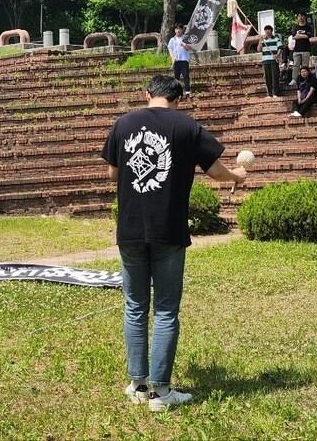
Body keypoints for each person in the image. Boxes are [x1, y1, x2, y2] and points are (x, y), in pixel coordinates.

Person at [103, 75, 248, 411]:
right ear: (178, 99)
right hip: (168, 228)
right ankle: (161, 393)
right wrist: (237, 177)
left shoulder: (123, 123)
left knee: (135, 307)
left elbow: (112, 175)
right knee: (165, 309)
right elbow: (215, 171)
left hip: (130, 229)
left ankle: (138, 385)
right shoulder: (187, 126)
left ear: (147, 94)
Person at [167, 25, 192, 98]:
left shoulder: (185, 38)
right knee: (176, 77)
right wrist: (172, 57)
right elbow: (170, 49)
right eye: (176, 29)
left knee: (186, 76)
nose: (178, 30)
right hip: (176, 61)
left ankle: (187, 91)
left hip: (184, 60)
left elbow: (189, 48)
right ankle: (177, 92)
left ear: (182, 30)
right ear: (174, 30)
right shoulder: (172, 39)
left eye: (179, 29)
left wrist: (184, 45)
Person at [258, 25, 281, 98]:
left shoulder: (276, 39)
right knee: (267, 78)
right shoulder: (263, 40)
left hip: (273, 60)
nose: (267, 31)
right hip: (265, 60)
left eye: (269, 30)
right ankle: (269, 93)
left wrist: (277, 55)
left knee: (275, 77)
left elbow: (280, 48)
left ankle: (275, 93)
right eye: (266, 30)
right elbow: (259, 49)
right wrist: (260, 41)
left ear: (271, 31)